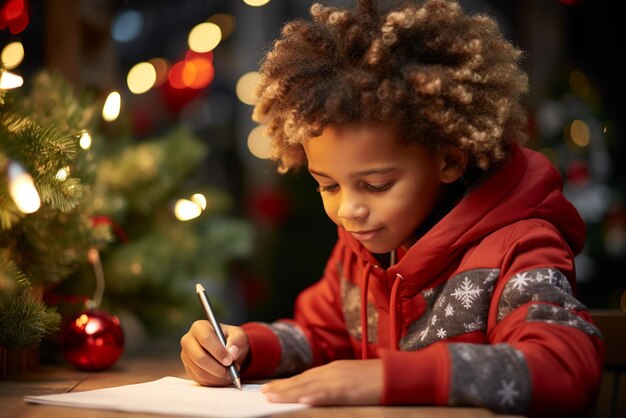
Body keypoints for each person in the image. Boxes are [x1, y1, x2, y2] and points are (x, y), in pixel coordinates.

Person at [180, 0, 605, 416]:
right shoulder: (361, 245)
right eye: (327, 185)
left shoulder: (521, 246)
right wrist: (245, 347)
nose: (349, 210)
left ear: (449, 160)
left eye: (376, 185)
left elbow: (564, 370)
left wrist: (386, 377)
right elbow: (319, 336)